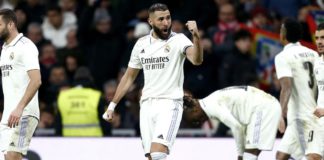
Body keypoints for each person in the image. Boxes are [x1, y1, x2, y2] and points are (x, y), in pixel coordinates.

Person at [103, 3, 203, 160]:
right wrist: (112, 105)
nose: (166, 23)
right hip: (147, 105)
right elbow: (129, 77)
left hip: (170, 103)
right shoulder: (141, 44)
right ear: (150, 22)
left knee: (158, 153)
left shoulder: (179, 40)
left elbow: (196, 60)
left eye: (168, 18)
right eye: (161, 19)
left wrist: (196, 36)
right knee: (151, 156)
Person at [183, 86, 282, 160]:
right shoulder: (210, 101)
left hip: (262, 109)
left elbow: (237, 127)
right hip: (262, 108)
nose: (198, 122)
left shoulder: (212, 106)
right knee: (250, 155)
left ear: (195, 109)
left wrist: (240, 154)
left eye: (194, 120)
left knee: (248, 156)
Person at [274, 18, 319, 160]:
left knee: (311, 157)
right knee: (281, 155)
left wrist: (280, 114)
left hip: (301, 116)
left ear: (284, 34)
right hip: (311, 111)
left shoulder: (282, 57)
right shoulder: (313, 54)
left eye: (281, 30)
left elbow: (286, 88)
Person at [0, 9, 42, 160]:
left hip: (24, 112)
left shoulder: (26, 46)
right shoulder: (4, 49)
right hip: (8, 116)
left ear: (10, 24)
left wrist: (20, 107)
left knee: (12, 156)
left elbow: (36, 80)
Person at [56, 66, 111, 137]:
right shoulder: (96, 96)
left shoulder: (63, 96)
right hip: (94, 143)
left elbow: (58, 126)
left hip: (69, 143)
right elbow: (105, 125)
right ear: (90, 79)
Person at [309, 23, 324, 159]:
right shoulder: (317, 63)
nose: (319, 41)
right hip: (319, 121)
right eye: (317, 38)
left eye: (323, 38)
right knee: (312, 157)